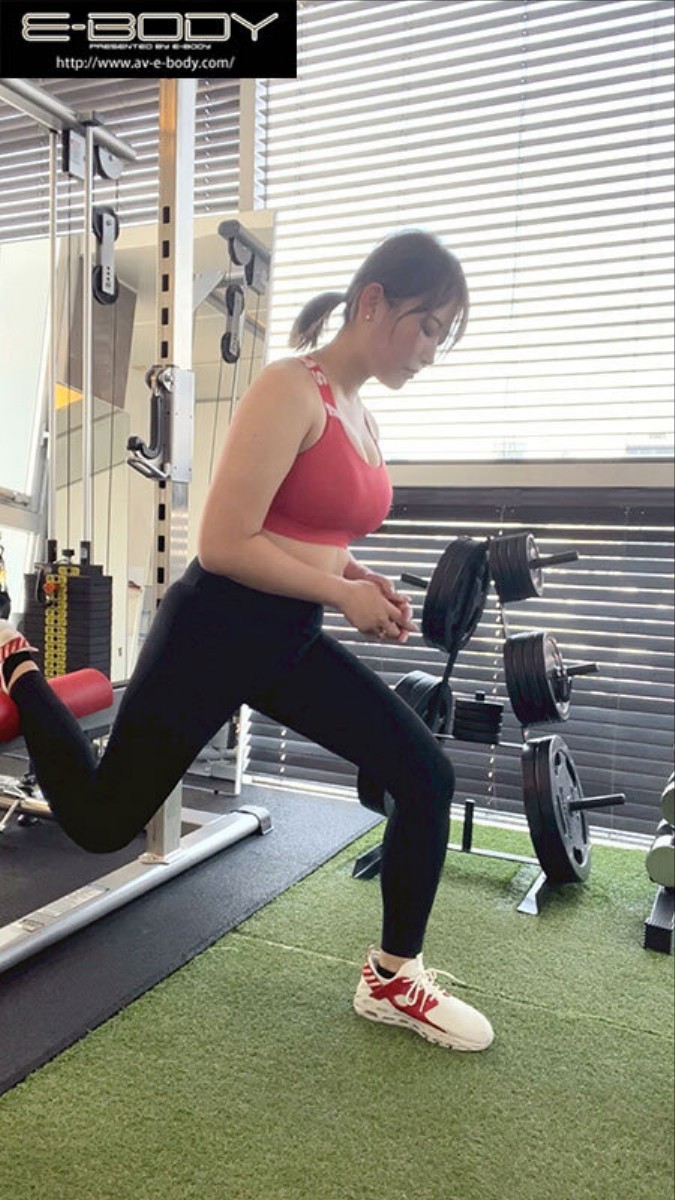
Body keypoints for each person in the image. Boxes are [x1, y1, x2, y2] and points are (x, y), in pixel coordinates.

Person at [0, 229, 493, 1052]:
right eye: (428, 327)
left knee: (424, 774)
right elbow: (226, 543)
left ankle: (390, 976)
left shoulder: (360, 412)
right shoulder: (289, 388)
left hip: (286, 633)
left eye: (443, 335)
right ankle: (17, 661)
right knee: (101, 823)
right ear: (374, 302)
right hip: (216, 629)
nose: (430, 351)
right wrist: (339, 592)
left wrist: (359, 577)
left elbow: (312, 527)